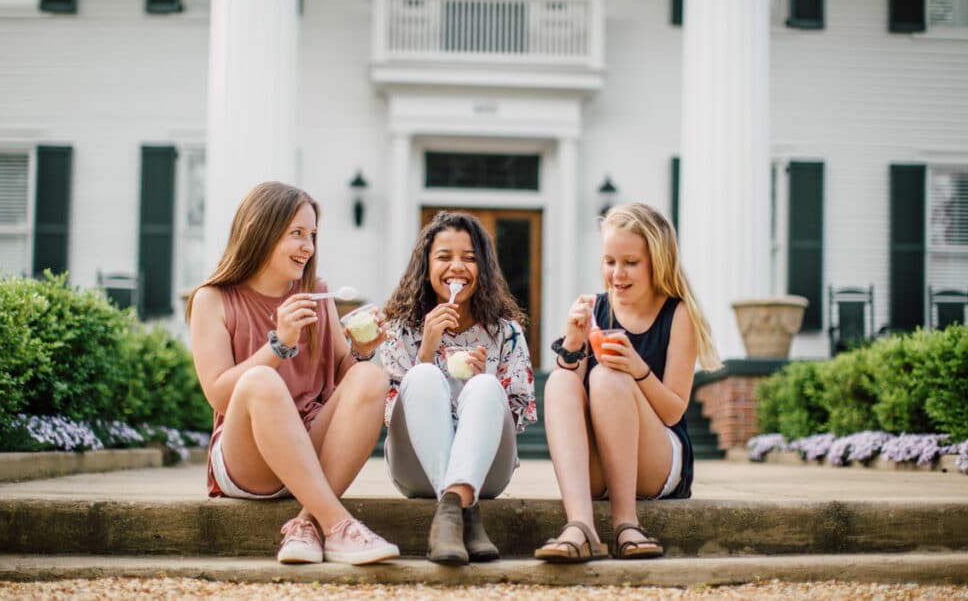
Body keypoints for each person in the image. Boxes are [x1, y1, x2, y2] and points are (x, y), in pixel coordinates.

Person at [186, 182, 399, 565]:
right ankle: (337, 524)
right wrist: (279, 345)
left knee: (372, 377)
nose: (308, 247)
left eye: (312, 235)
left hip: (312, 444)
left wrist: (362, 351)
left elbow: (346, 377)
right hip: (248, 460)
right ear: (258, 230)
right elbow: (219, 395)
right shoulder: (213, 300)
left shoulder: (318, 294)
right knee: (260, 381)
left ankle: (306, 524)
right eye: (297, 234)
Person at [534, 202, 721, 562]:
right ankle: (579, 525)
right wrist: (573, 343)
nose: (617, 274)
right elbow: (569, 394)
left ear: (657, 262)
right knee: (559, 381)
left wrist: (638, 370)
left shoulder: (678, 313)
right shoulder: (595, 309)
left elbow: (673, 412)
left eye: (630, 263)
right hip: (601, 462)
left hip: (657, 462)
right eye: (609, 261)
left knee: (607, 378)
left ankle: (626, 523)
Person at [380, 211, 536, 565]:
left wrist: (477, 391)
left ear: (484, 268)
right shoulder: (399, 331)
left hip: (489, 471)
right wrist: (426, 351)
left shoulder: (506, 333)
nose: (457, 267)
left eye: (469, 258)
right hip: (414, 468)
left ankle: (452, 512)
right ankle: (467, 512)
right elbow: (391, 413)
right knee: (422, 376)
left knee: (484, 385)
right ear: (426, 266)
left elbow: (518, 417)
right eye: (444, 257)